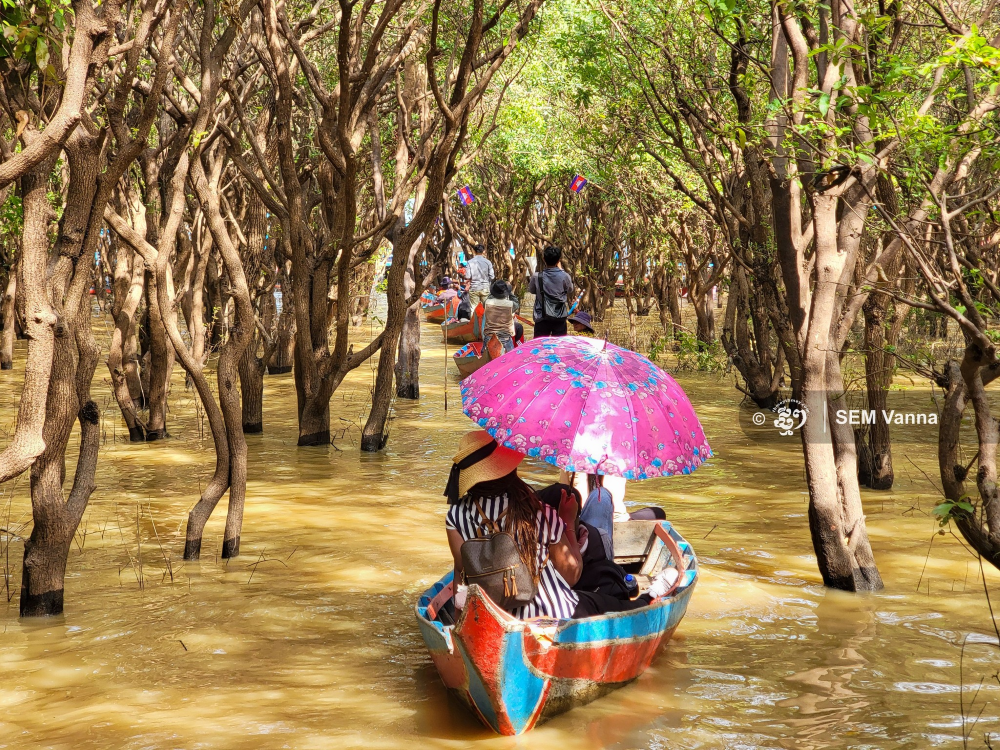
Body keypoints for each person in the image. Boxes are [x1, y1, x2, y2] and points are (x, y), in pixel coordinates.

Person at [444, 431, 583, 620]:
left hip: (493, 621)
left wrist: (460, 624)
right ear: (509, 469)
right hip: (550, 616)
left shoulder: (455, 516)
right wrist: (567, 519)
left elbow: (461, 576)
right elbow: (571, 576)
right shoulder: (539, 512)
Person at [529, 245, 574, 337]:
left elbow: (532, 290)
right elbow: (570, 289)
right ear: (558, 261)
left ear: (544, 259)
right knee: (559, 347)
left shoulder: (536, 276)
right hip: (559, 317)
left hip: (541, 317)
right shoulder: (565, 276)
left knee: (539, 347)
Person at [482, 279, 516, 353]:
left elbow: (488, 298)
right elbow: (516, 302)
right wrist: (510, 292)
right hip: (506, 340)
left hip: (489, 338)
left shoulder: (487, 302)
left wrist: (493, 292)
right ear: (505, 293)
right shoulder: (511, 304)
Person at [465, 244, 495, 309]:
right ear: (483, 251)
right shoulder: (488, 262)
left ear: (474, 251)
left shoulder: (470, 262)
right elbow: (492, 276)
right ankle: (485, 319)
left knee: (473, 308)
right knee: (486, 308)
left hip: (474, 288)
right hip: (485, 288)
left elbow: (467, 276)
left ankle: (474, 319)